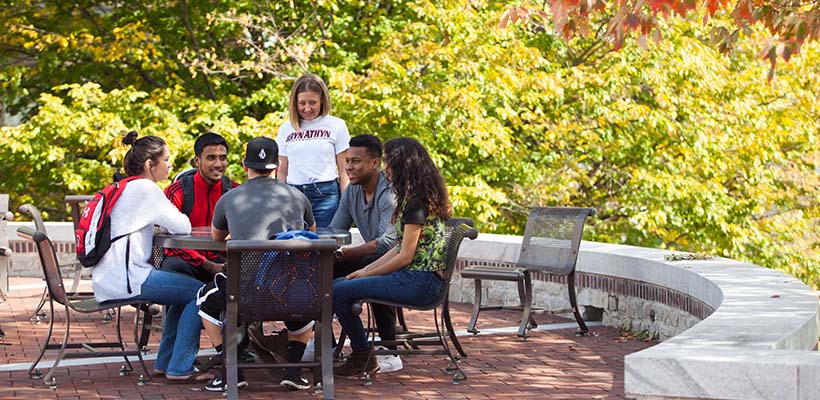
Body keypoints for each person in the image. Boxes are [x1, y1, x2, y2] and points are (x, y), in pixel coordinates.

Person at [196, 137, 317, 392]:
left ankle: (233, 371)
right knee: (304, 307)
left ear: (244, 165)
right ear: (277, 165)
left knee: (204, 301)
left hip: (245, 294)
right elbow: (311, 233)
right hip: (290, 293)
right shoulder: (298, 196)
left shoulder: (230, 199)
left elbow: (217, 239)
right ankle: (293, 371)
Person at [91, 131, 209, 383]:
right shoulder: (146, 189)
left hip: (109, 276)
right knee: (201, 293)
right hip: (128, 278)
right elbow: (183, 225)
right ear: (149, 165)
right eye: (166, 159)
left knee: (183, 293)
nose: (170, 165)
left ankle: (165, 362)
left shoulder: (123, 187)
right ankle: (180, 367)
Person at [332, 137, 451, 376]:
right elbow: (397, 248)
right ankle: (360, 352)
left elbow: (405, 256)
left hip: (421, 282)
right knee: (338, 285)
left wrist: (368, 272)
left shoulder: (417, 202)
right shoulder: (412, 198)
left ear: (404, 165)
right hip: (413, 277)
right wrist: (364, 272)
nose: (387, 170)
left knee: (337, 291)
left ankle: (364, 354)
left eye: (391, 164)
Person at [327, 134, 402, 372]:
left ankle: (390, 350)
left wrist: (342, 255)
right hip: (372, 256)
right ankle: (325, 343)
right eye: (347, 161)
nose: (349, 167)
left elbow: (387, 242)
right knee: (319, 272)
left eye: (356, 161)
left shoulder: (389, 192)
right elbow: (335, 230)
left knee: (373, 273)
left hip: (398, 258)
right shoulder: (351, 192)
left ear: (375, 163)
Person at [162, 132, 239, 283]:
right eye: (211, 158)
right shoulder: (175, 191)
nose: (218, 164)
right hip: (187, 261)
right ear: (197, 161)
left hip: (224, 262)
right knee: (175, 266)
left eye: (222, 158)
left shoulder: (236, 192)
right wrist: (207, 265)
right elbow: (170, 240)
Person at [276, 73, 350, 228]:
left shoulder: (336, 125)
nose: (307, 108)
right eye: (302, 103)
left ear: (322, 100)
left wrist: (346, 203)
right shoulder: (286, 128)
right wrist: (280, 200)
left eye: (313, 102)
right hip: (293, 194)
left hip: (325, 195)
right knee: (294, 245)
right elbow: (282, 171)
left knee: (325, 245)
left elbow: (344, 170)